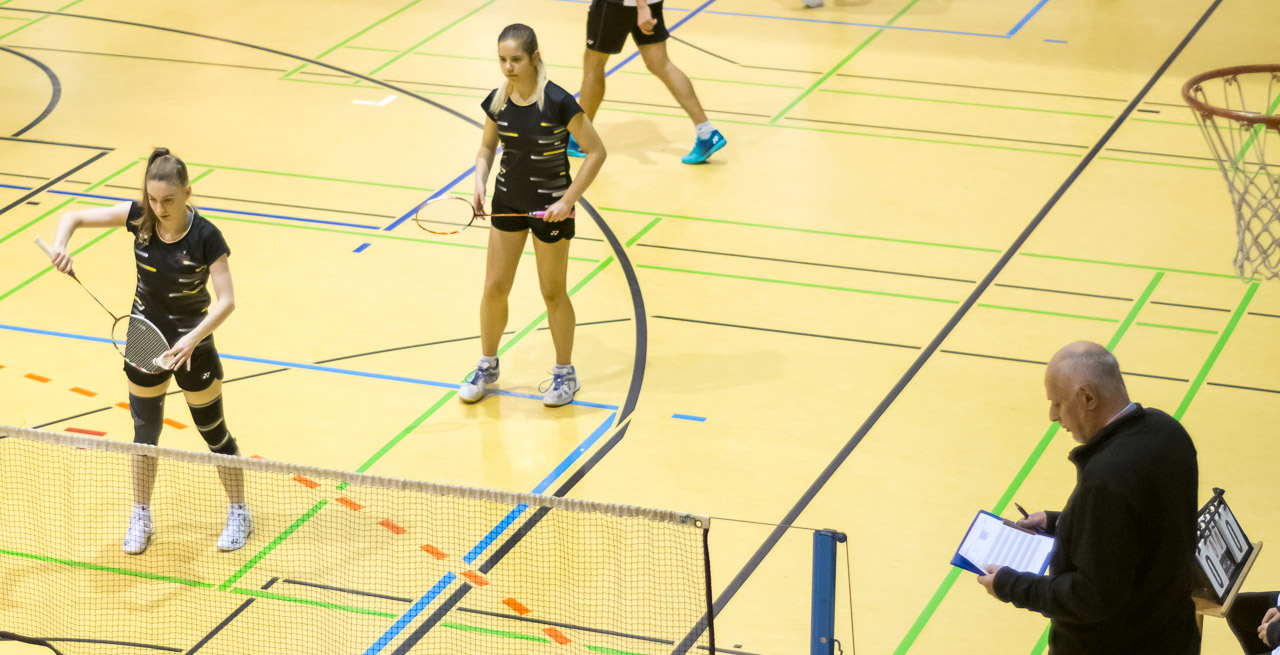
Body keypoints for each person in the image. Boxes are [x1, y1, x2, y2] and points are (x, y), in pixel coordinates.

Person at [49, 148, 251, 555]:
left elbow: (227, 300)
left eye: (168, 200)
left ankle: (239, 511)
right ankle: (141, 514)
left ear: (187, 192)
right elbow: (72, 216)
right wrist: (60, 247)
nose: (159, 209)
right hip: (144, 339)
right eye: (153, 199)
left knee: (214, 432)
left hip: (192, 345)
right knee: (144, 436)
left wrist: (192, 339)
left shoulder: (207, 236)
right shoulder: (140, 217)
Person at [976, 341, 1200, 654]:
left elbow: (1091, 597)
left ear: (1088, 397)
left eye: (1057, 403)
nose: (1052, 416)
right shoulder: (1168, 431)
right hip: (1172, 635)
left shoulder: (1107, 478)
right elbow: (1140, 526)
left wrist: (1009, 584)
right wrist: (1059, 523)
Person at [459, 24, 606, 408]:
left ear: (534, 58)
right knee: (494, 288)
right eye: (502, 60)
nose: (508, 67)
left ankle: (565, 374)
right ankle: (487, 366)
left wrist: (567, 201)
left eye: (516, 60)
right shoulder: (498, 100)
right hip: (508, 202)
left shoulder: (558, 102)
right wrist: (480, 181)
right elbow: (486, 147)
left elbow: (596, 152)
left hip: (551, 210)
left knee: (552, 291)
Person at [567, 0, 726, 164]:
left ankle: (580, 139)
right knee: (660, 63)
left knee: (594, 64)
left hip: (619, 4)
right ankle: (706, 132)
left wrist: (642, 7)